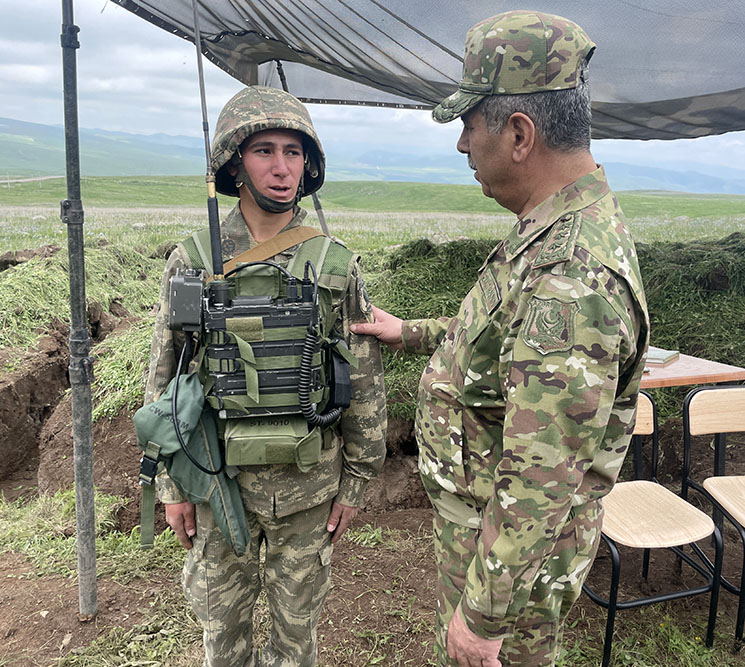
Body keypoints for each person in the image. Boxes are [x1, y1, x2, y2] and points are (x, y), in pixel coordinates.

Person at [351, 10, 649, 667]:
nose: (461, 144)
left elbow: (542, 473)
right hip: (493, 546)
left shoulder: (572, 277)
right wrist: (409, 332)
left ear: (518, 134)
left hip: (509, 576)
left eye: (468, 123)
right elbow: (498, 342)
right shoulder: (550, 230)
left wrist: (483, 616)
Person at [143, 86, 387, 667]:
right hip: (216, 485)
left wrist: (357, 482)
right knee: (222, 640)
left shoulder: (334, 265)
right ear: (235, 164)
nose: (282, 168)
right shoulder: (194, 261)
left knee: (296, 643)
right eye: (264, 151)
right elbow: (166, 378)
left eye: (293, 152)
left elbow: (363, 383)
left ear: (309, 164)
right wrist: (171, 487)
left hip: (307, 489)